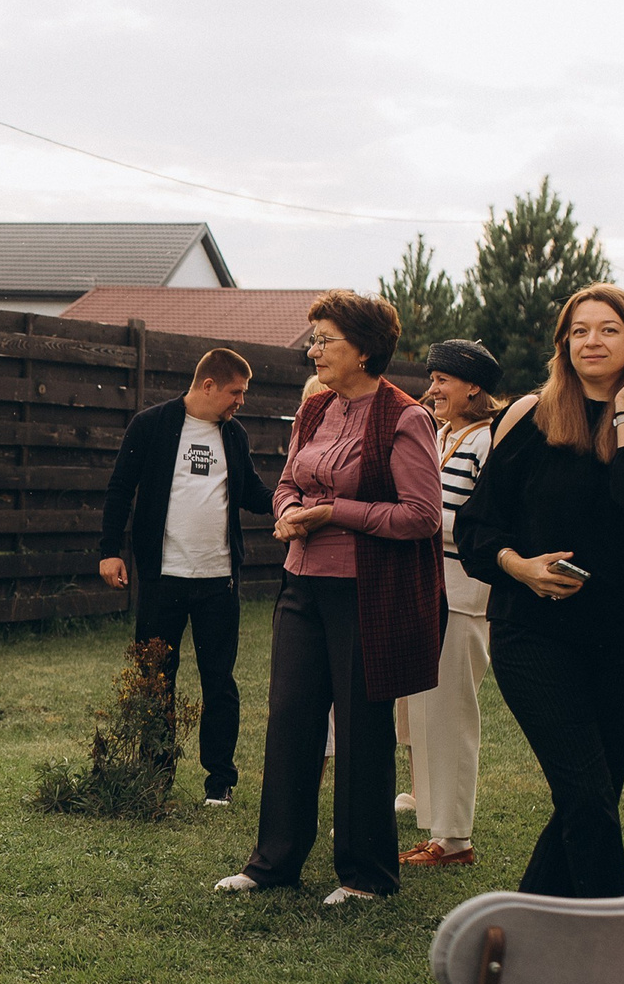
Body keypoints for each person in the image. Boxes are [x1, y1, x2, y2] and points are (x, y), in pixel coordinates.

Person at [455, 285, 624, 930]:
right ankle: (618, 950)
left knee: (587, 802)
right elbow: (476, 524)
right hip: (533, 634)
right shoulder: (527, 417)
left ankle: (524, 935)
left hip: (620, 640)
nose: (592, 341)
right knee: (586, 796)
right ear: (564, 343)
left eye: (608, 330)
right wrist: (518, 566)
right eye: (579, 331)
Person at [215, 291, 440, 902]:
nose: (313, 350)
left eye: (325, 340)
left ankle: (367, 874)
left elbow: (422, 516)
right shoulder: (315, 411)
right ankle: (273, 864)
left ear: (365, 350)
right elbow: (288, 480)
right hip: (301, 584)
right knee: (290, 719)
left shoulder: (405, 417)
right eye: (312, 339)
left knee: (363, 730)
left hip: (365, 593)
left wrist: (334, 512)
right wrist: (289, 513)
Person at [97, 348, 274, 806]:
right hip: (163, 578)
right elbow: (120, 488)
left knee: (220, 681)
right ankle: (154, 776)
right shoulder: (151, 424)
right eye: (236, 393)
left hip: (219, 580)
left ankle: (220, 781)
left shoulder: (233, 435)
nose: (240, 402)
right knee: (155, 677)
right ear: (209, 385)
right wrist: (108, 552)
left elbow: (251, 491)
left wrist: (291, 503)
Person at [398, 339, 503, 868]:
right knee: (424, 713)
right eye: (432, 378)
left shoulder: (488, 441)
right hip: (424, 583)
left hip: (464, 592)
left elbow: (489, 525)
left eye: (443, 380)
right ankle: (436, 829)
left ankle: (456, 838)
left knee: (453, 713)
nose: (431, 389)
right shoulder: (439, 434)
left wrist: (417, 518)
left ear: (474, 387)